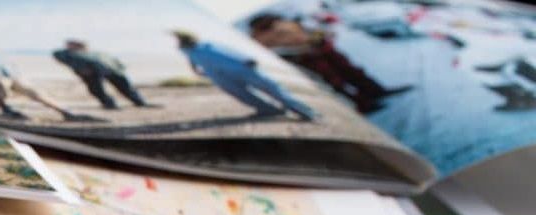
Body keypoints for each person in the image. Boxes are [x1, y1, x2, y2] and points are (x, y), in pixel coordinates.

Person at [248, 13, 412, 113]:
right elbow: (272, 52)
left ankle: (375, 92)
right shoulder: (260, 37)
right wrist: (298, 52)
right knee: (334, 81)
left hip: (321, 49)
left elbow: (308, 31)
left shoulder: (284, 22)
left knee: (351, 71)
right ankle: (363, 104)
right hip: (305, 57)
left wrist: (321, 36)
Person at [171, 30, 315, 120]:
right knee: (241, 94)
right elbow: (192, 63)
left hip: (239, 68)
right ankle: (269, 110)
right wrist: (199, 72)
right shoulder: (187, 51)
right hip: (219, 76)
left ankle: (304, 110)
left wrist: (246, 59)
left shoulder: (207, 45)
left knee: (271, 88)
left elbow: (228, 51)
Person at [53, 39, 152, 109]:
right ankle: (109, 104)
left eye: (76, 44)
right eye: (71, 44)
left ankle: (140, 102)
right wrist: (82, 69)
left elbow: (112, 60)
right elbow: (57, 54)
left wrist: (120, 67)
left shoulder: (95, 52)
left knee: (125, 87)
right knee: (96, 90)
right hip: (92, 73)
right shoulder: (68, 54)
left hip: (111, 70)